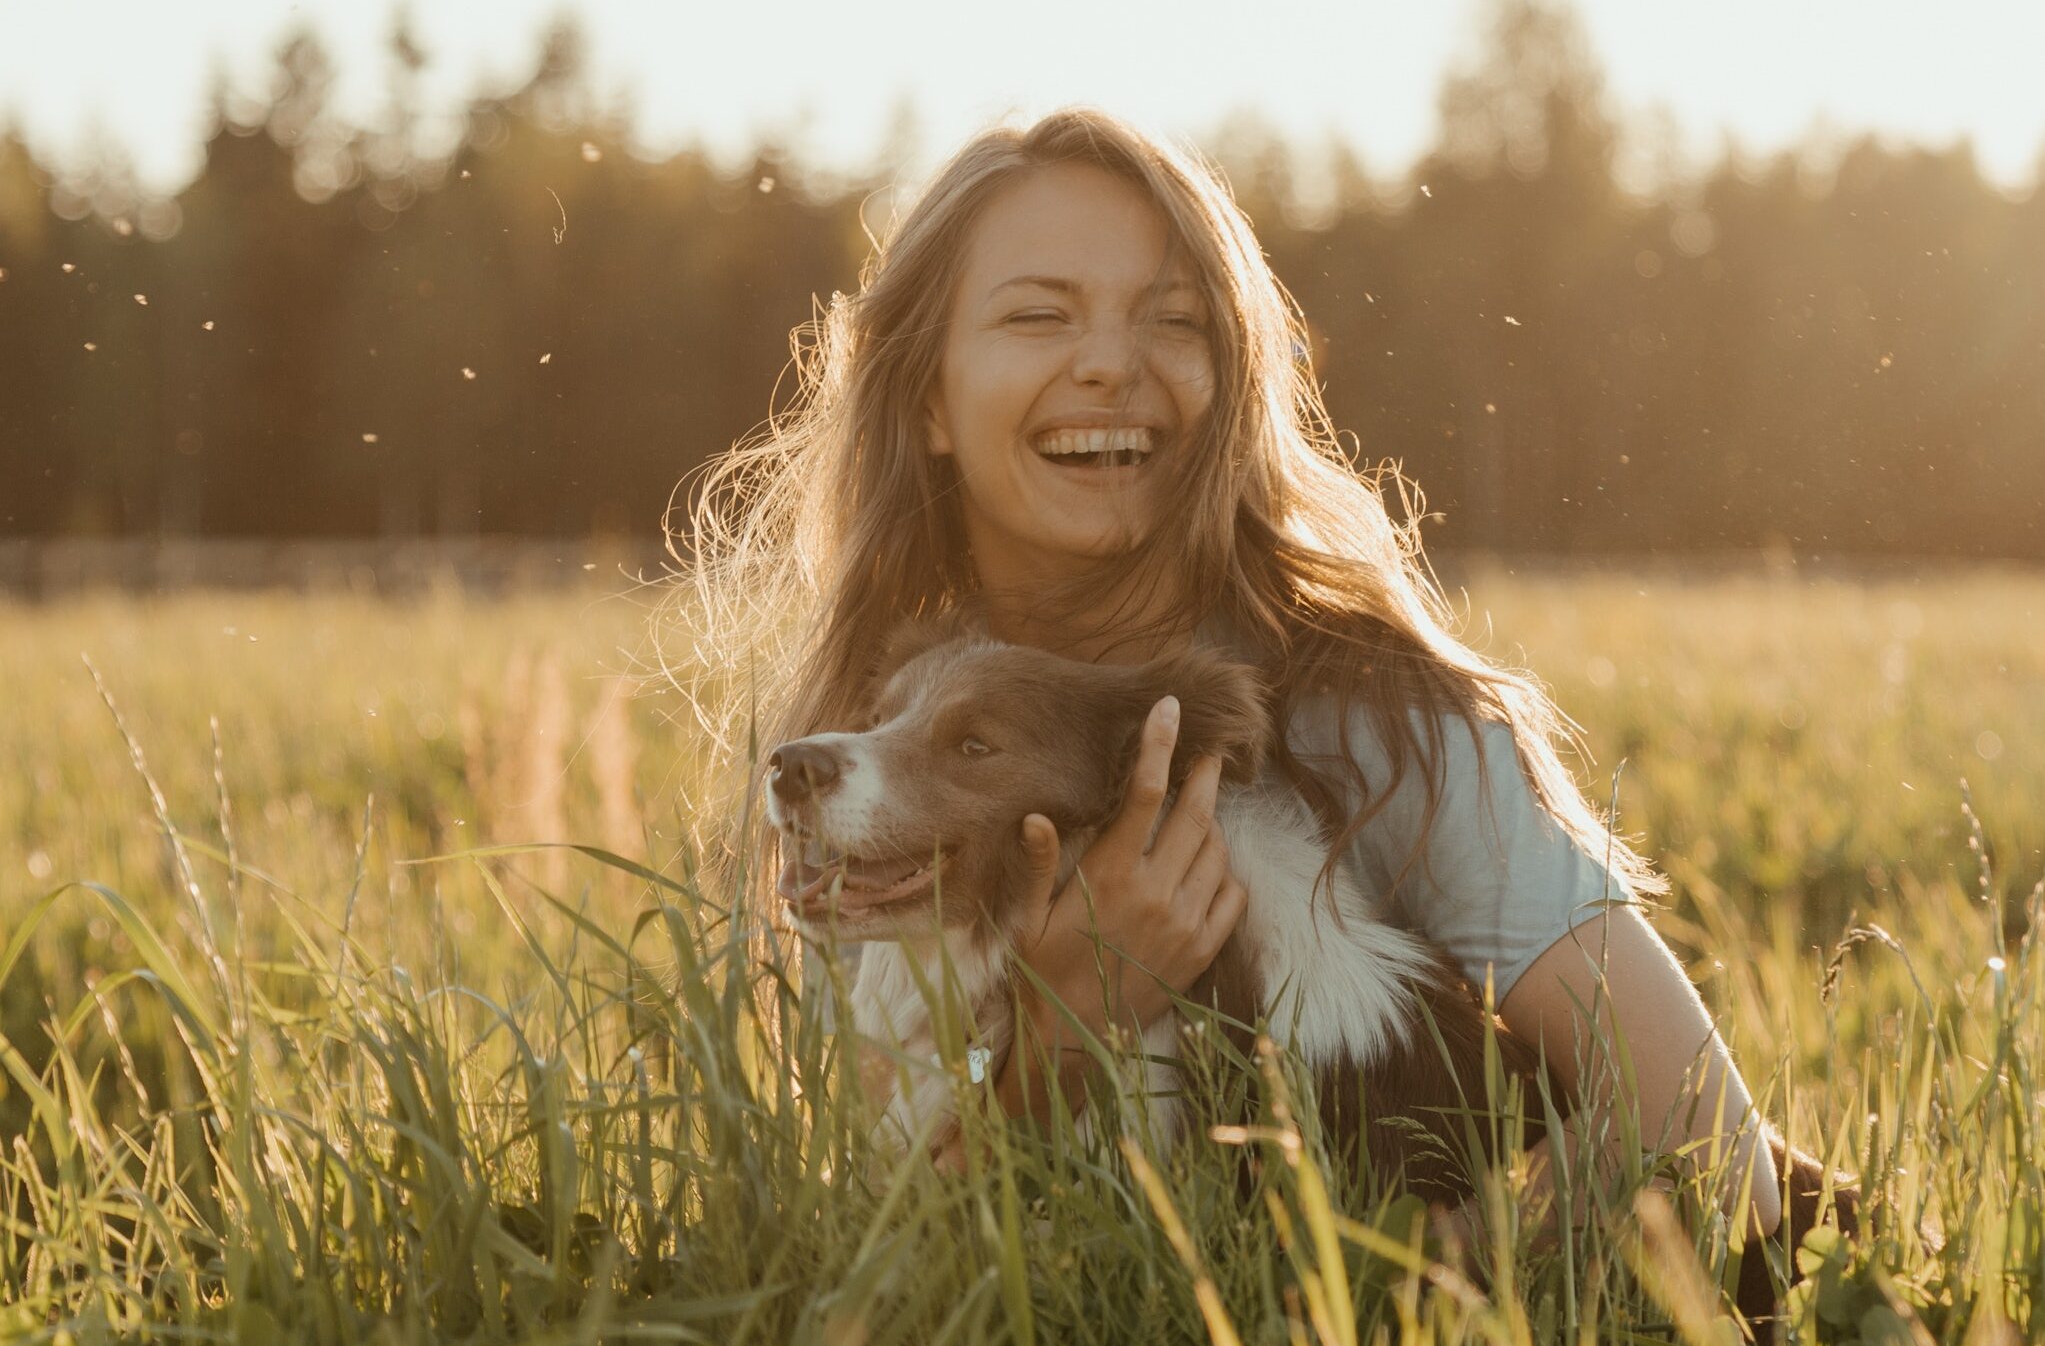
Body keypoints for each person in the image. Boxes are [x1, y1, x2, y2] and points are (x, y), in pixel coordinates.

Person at [670, 106, 1785, 1238]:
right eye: (1037, 314)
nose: (1109, 363)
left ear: (1234, 380)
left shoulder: (1385, 722)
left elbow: (1722, 1165)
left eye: (1174, 320)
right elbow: (886, 1254)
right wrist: (1061, 1025)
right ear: (925, 397)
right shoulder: (862, 762)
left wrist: (1388, 1296)